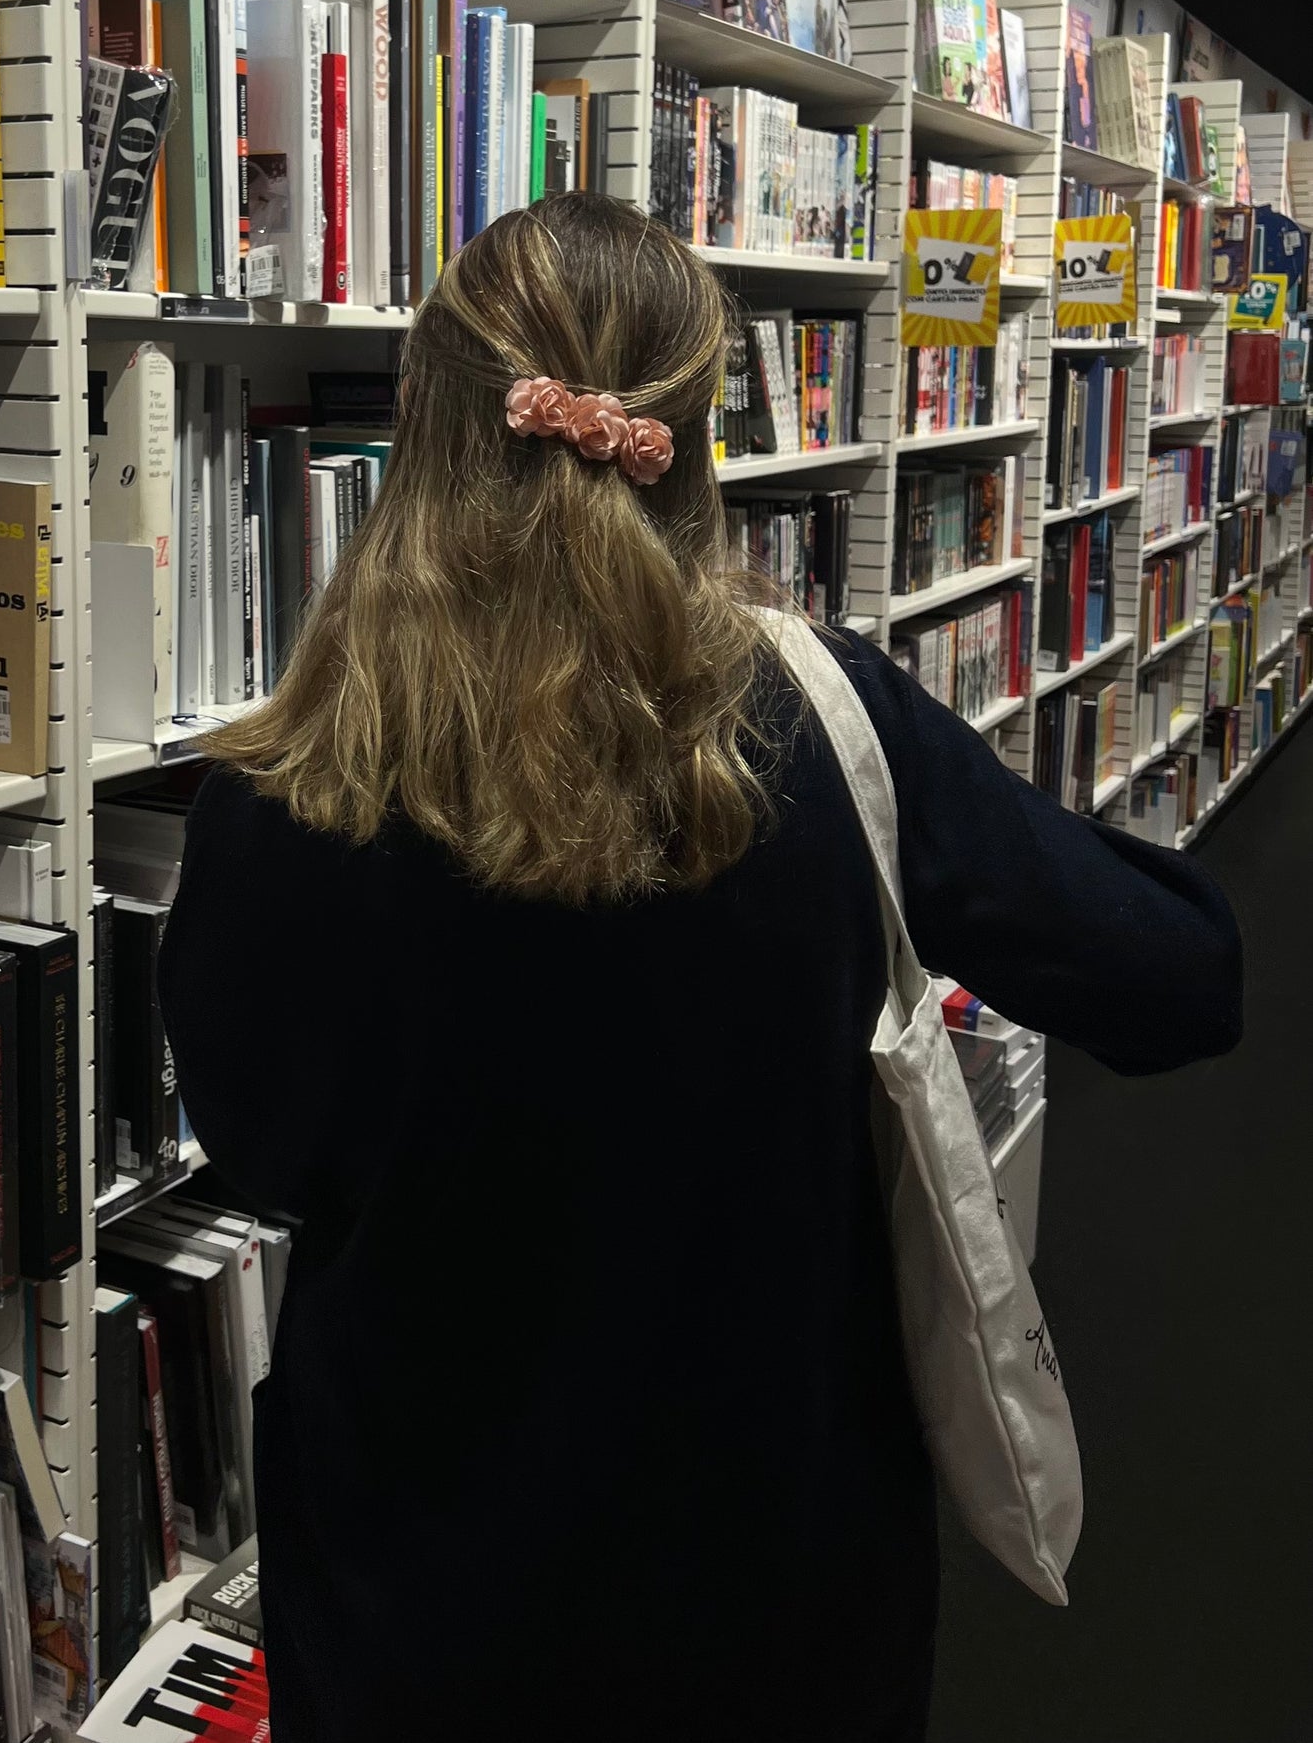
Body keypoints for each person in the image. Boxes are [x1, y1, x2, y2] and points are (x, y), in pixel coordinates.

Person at [157, 193, 1242, 1742]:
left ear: (426, 429)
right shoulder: (820, 723)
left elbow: (265, 1155)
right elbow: (1180, 981)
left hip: (419, 1573)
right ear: (692, 434)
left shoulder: (276, 794)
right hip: (772, 1559)